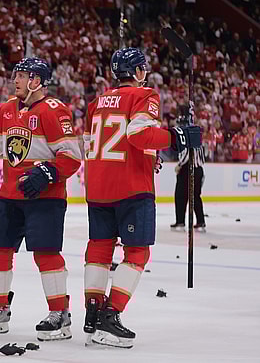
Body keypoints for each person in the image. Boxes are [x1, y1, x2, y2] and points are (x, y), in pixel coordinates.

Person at [0, 57, 82, 341]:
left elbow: (71, 157)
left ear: (37, 80)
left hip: (45, 198)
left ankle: (60, 313)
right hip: (10, 195)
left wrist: (48, 172)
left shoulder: (54, 111)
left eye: (21, 75)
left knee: (45, 254)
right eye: (16, 75)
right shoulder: (8, 108)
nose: (16, 80)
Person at [83, 47, 202, 348]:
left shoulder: (96, 102)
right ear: (137, 71)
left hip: (98, 185)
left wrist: (149, 157)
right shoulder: (144, 95)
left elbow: (92, 143)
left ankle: (93, 313)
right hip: (131, 187)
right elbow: (138, 135)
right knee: (137, 253)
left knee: (99, 249)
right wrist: (176, 137)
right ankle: (111, 316)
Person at [171, 113, 207, 231]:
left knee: (180, 196)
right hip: (199, 169)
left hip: (188, 169)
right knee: (195, 196)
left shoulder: (185, 135)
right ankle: (201, 221)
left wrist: (180, 165)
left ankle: (180, 221)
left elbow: (186, 154)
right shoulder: (197, 137)